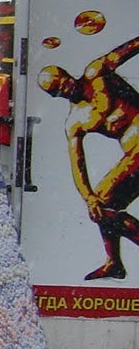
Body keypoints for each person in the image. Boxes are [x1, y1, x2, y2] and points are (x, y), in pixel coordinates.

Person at [38, 33, 139, 280]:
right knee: (100, 206)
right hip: (134, 153)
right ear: (54, 96)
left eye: (62, 81)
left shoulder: (97, 73)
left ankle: (114, 262)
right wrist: (88, 197)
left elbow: (129, 48)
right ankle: (114, 262)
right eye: (57, 90)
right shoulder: (75, 122)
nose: (64, 88)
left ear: (66, 74)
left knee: (104, 203)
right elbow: (77, 163)